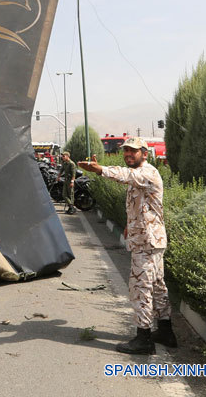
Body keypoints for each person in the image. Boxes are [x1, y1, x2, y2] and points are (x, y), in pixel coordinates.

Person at [77, 136, 177, 355]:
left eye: (133, 151)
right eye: (126, 151)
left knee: (141, 288)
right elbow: (138, 206)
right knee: (158, 287)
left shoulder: (147, 172)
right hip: (148, 239)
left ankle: (144, 339)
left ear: (144, 152)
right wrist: (128, 227)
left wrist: (100, 169)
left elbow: (126, 175)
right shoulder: (138, 176)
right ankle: (166, 332)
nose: (128, 154)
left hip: (147, 243)